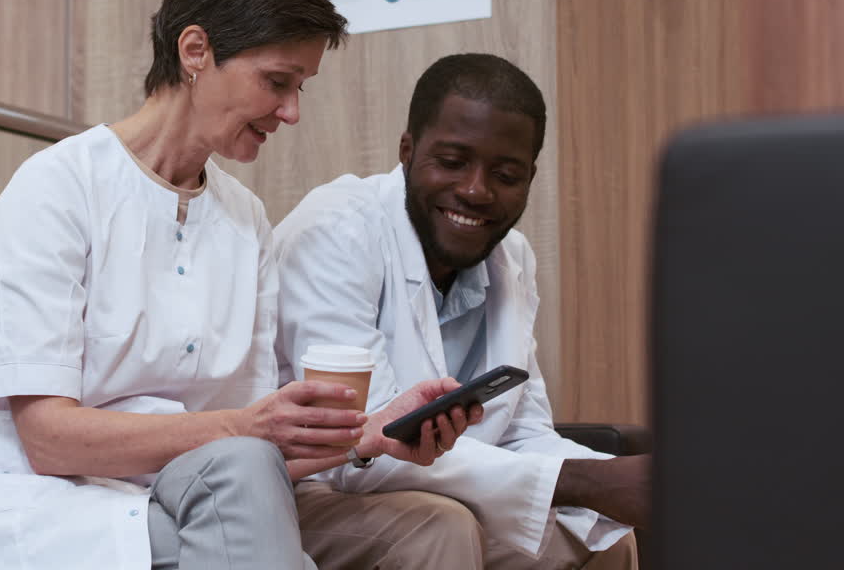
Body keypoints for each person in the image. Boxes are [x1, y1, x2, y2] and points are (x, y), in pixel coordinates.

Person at [0, 0, 477, 570]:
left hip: (208, 492)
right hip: (49, 500)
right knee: (239, 485)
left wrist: (368, 436)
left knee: (434, 527)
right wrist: (246, 434)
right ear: (195, 51)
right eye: (277, 82)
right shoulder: (58, 188)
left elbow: (252, 444)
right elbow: (47, 440)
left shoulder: (246, 222)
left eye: (300, 89)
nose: (291, 112)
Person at [274, 53, 649, 569]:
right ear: (407, 151)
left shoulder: (511, 256)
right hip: (311, 492)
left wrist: (644, 483)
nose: (476, 190)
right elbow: (364, 446)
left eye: (506, 174)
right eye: (452, 162)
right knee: (440, 525)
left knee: (599, 538)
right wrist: (584, 481)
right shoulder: (336, 229)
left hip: (439, 494)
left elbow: (523, 431)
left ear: (530, 178)